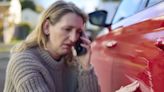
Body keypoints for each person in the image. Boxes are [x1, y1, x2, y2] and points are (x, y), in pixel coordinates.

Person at [3, 1, 139, 92]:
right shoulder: (24, 63)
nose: (74, 38)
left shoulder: (71, 62)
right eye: (67, 29)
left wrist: (85, 67)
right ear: (46, 27)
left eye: (79, 32)